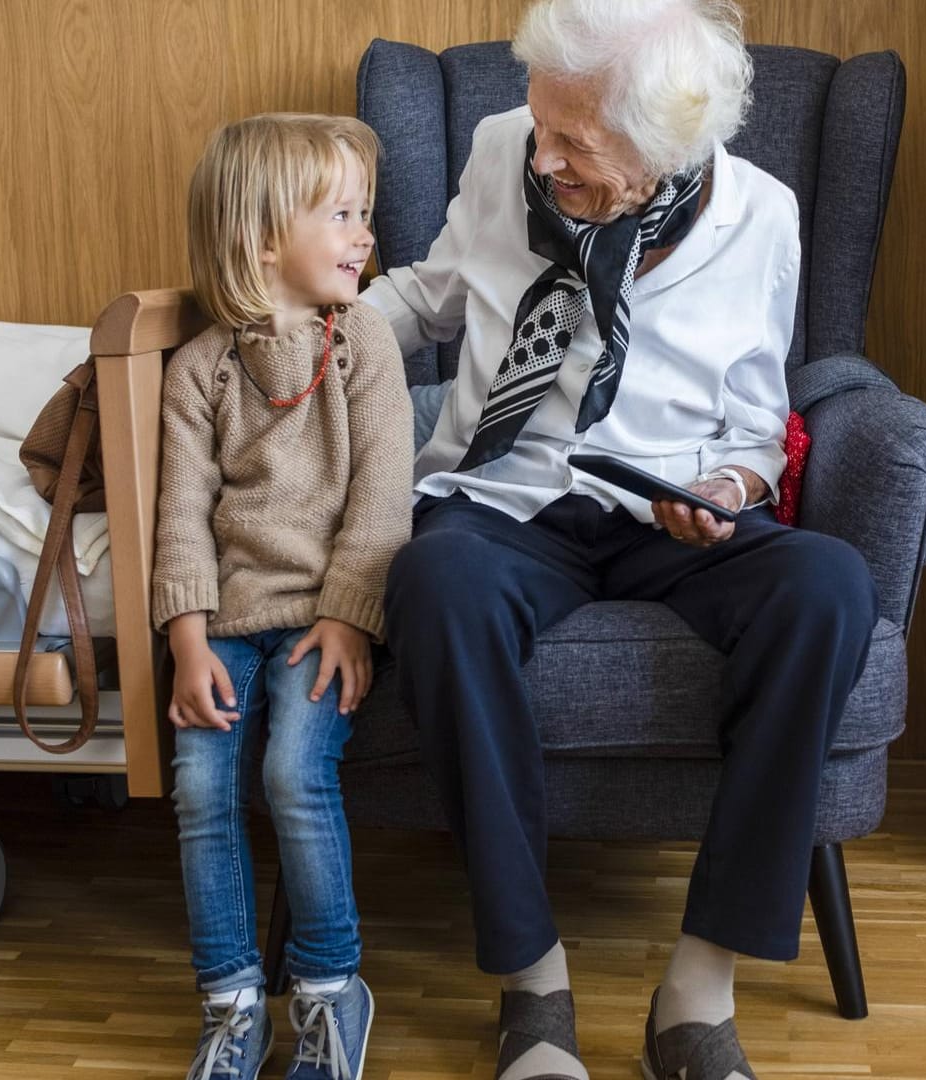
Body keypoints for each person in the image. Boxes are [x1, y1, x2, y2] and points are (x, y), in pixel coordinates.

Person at [362, 3, 877, 1078]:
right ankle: (532, 991)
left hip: (667, 510)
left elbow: (750, 418)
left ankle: (698, 991)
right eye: (538, 126)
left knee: (826, 584)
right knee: (433, 581)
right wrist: (299, 319)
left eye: (576, 145)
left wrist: (726, 487)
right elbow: (438, 295)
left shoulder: (761, 217)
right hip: (509, 495)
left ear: (666, 147)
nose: (540, 158)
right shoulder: (506, 145)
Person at [153, 112, 412, 1080]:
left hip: (323, 622)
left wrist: (350, 615)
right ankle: (230, 1005)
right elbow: (180, 517)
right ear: (263, 238)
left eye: (365, 213)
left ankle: (329, 993)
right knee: (200, 785)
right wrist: (185, 643)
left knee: (292, 776)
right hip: (225, 626)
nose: (365, 234)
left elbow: (385, 496)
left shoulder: (365, 346)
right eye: (341, 214)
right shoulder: (199, 370)